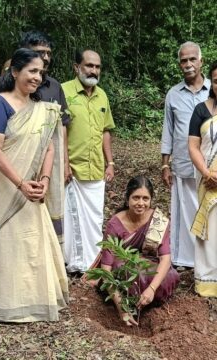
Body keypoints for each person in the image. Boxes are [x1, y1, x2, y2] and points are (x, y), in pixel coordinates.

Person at [0, 48, 69, 322]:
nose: (37, 77)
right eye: (32, 71)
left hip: (34, 189)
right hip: (8, 188)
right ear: (15, 71)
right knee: (12, 244)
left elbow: (49, 149)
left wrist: (43, 180)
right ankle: (9, 306)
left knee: (34, 244)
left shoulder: (42, 109)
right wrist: (20, 184)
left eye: (40, 72)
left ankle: (37, 301)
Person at [0, 31, 70, 245]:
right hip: (16, 166)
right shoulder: (6, 91)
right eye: (39, 53)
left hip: (48, 164)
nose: (45, 58)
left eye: (48, 53)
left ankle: (50, 255)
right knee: (19, 225)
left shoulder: (54, 86)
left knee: (49, 212)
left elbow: (60, 129)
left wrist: (64, 162)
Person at [90, 176, 179, 326]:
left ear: (151, 200)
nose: (140, 203)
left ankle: (148, 303)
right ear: (127, 199)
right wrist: (121, 309)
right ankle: (125, 303)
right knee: (124, 271)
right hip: (123, 267)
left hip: (147, 266)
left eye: (145, 198)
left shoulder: (158, 221)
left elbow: (165, 258)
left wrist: (151, 289)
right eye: (136, 198)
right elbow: (106, 269)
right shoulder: (115, 224)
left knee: (169, 275)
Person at [62, 49, 115, 273]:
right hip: (73, 169)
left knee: (95, 216)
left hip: (96, 169)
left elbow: (105, 130)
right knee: (72, 218)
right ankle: (74, 263)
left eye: (97, 66)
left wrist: (110, 162)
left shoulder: (102, 95)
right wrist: (64, 163)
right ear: (77, 67)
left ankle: (92, 261)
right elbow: (60, 129)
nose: (93, 70)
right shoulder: (64, 91)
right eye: (89, 65)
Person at [161, 41, 210, 269]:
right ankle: (184, 259)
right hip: (182, 162)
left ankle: (208, 257)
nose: (188, 64)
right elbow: (168, 130)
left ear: (201, 61)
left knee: (209, 209)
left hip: (210, 164)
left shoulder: (214, 88)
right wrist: (164, 164)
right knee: (183, 212)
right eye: (183, 60)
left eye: (192, 59)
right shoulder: (173, 93)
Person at [188, 61, 217, 297]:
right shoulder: (201, 110)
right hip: (207, 180)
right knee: (209, 228)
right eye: (216, 80)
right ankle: (207, 282)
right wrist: (207, 173)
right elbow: (193, 146)